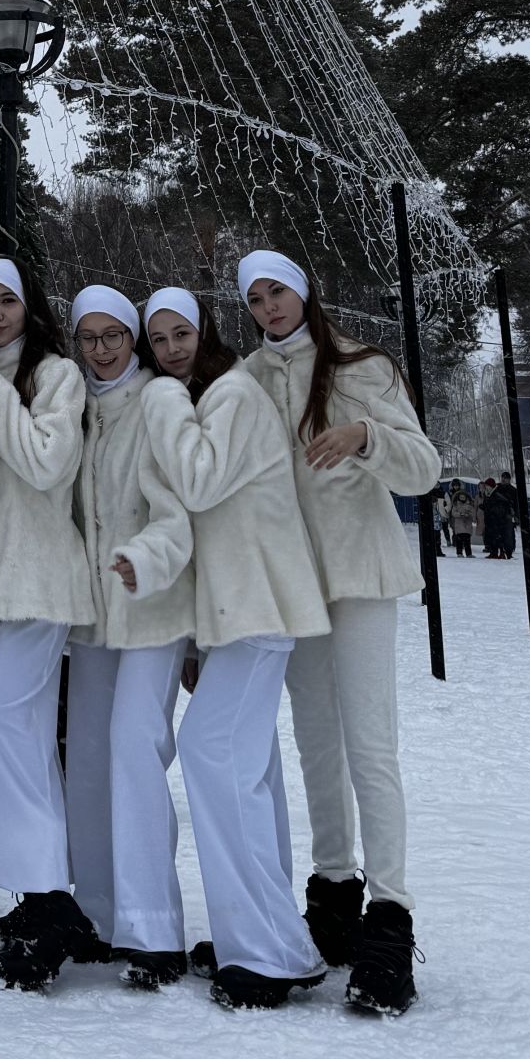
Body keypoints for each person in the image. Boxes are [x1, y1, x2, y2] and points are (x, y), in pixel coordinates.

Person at [240, 249, 440, 1018]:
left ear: (303, 290)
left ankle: (388, 921)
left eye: (278, 291)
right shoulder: (248, 384)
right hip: (294, 590)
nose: (269, 307)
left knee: (369, 747)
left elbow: (423, 469)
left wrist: (366, 437)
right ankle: (333, 900)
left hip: (360, 580)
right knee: (315, 746)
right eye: (255, 298)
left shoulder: (363, 364)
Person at [136, 284, 331, 1012]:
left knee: (213, 753)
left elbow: (197, 479)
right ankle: (254, 932)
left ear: (204, 331)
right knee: (245, 770)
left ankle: (270, 949)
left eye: (179, 334)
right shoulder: (211, 398)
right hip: (238, 609)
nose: (170, 349)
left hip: (259, 604)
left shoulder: (233, 393)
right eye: (157, 341)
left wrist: (157, 399)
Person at [45, 283, 195, 995]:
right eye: (89, 338)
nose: (102, 349)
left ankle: (153, 926)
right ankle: (99, 913)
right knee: (91, 760)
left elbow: (177, 511)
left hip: (153, 607)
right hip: (91, 612)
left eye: (114, 336)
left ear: (132, 338)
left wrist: (146, 561)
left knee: (136, 746)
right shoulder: (77, 407)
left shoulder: (157, 402)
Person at [0, 255, 93, 990]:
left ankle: (47, 903)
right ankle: (43, 894)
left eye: (7, 299)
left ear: (30, 306)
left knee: (11, 724)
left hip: (40, 579)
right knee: (21, 732)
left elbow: (45, 464)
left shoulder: (54, 377)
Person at [481, 475, 518, 562]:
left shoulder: (497, 494)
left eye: (487, 486)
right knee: (491, 537)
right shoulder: (487, 494)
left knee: (499, 537)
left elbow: (500, 507)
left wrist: (491, 509)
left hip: (498, 520)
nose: (486, 488)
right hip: (490, 519)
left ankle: (502, 552)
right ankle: (493, 552)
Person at [446, 482, 478, 559]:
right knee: (459, 540)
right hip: (459, 525)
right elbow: (454, 513)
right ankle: (459, 552)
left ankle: (468, 553)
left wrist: (469, 515)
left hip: (467, 525)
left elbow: (473, 512)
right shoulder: (456, 505)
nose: (462, 498)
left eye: (464, 496)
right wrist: (460, 514)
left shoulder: (469, 505)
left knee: (467, 541)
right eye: (461, 497)